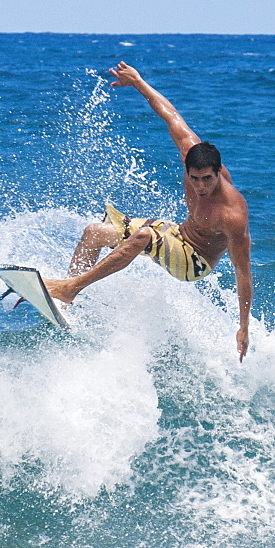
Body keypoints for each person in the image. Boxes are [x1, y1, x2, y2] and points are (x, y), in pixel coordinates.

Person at [45, 62, 253, 362]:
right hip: (178, 233)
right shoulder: (189, 154)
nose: (201, 186)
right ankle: (64, 303)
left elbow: (242, 272)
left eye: (207, 179)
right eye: (194, 179)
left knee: (143, 236)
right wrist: (139, 82)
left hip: (195, 262)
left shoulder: (232, 214)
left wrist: (243, 327)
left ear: (218, 172)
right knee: (94, 232)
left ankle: (70, 289)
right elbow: (172, 116)